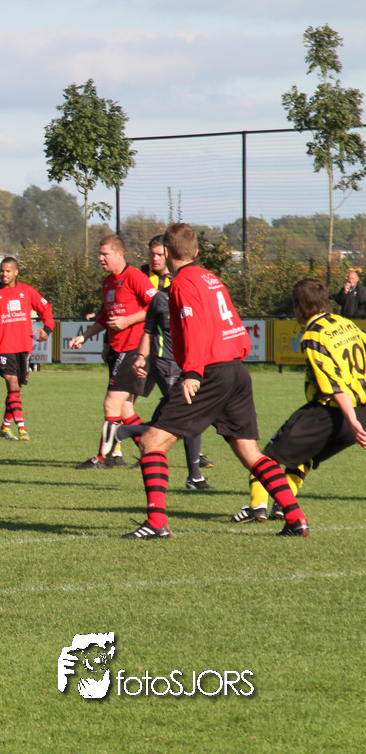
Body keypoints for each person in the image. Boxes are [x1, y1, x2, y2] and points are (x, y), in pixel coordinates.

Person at [124, 223, 309, 539]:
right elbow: (233, 323)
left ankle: (156, 524)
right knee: (250, 453)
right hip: (235, 369)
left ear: (166, 252)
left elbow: (193, 328)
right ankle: (296, 519)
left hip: (209, 372)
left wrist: (192, 372)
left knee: (151, 443)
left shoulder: (183, 283)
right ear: (196, 251)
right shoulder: (211, 278)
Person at [231, 278, 366, 526]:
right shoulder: (347, 325)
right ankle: (283, 505)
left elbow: (333, 385)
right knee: (303, 457)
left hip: (331, 412)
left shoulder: (314, 336)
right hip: (361, 413)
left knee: (265, 458)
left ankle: (256, 506)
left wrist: (351, 419)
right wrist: (358, 419)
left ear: (300, 307)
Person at [115, 235, 211, 488]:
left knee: (177, 417)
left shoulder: (191, 295)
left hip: (189, 365)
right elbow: (148, 331)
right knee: (187, 416)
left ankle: (129, 432)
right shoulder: (159, 298)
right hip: (167, 364)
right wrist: (141, 357)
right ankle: (194, 476)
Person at [67, 234, 156, 469]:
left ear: (119, 254)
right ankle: (151, 450)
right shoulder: (108, 282)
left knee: (111, 404)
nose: (100, 258)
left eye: (104, 254)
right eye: (99, 254)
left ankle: (103, 457)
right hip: (118, 350)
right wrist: (85, 336)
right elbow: (105, 316)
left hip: (135, 349)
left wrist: (128, 320)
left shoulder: (134, 277)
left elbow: (156, 305)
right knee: (124, 408)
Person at [0, 256, 54, 440]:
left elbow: (46, 308)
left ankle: (5, 427)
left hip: (23, 347)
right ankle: (22, 428)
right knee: (13, 385)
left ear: (16, 272)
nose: (4, 274)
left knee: (16, 391)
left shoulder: (27, 291)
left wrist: (48, 328)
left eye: (8, 271)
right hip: (3, 348)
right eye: (2, 271)